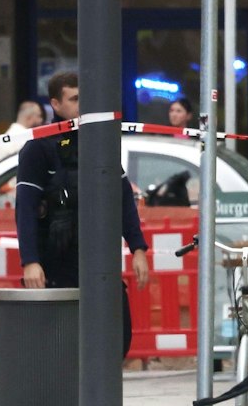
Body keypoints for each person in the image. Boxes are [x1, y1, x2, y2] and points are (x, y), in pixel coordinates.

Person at [13, 71, 151, 355]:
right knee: (60, 349)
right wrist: (29, 261)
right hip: (57, 264)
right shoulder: (38, 147)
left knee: (117, 343)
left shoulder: (100, 142)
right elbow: (25, 208)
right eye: (74, 99)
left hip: (100, 263)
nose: (82, 105)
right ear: (56, 104)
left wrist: (138, 248)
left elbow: (122, 197)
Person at [0, 100, 44, 167]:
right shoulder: (23, 139)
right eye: (39, 116)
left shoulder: (11, 134)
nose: (41, 120)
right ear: (29, 118)